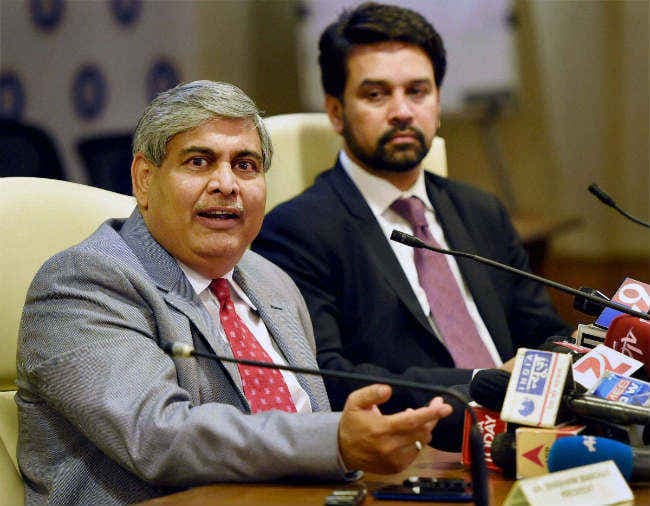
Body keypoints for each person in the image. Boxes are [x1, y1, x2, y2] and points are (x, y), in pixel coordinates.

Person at [15, 80, 452, 505]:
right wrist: (333, 441)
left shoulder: (271, 280)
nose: (226, 184)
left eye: (245, 166)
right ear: (144, 179)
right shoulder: (83, 282)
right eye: (199, 162)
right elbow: (159, 437)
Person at [252, 2, 571, 448]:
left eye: (417, 91)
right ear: (336, 112)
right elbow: (329, 376)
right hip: (416, 451)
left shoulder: (482, 211)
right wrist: (481, 383)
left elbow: (544, 333)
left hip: (531, 437)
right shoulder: (295, 231)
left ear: (437, 104)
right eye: (376, 94)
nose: (402, 111)